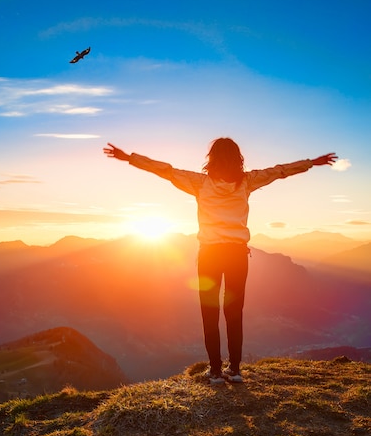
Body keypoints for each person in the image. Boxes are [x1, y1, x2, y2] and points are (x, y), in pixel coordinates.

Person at [103, 139, 338, 386]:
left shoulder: (199, 183)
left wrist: (129, 157)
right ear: (238, 158)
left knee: (209, 313)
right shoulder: (247, 182)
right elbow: (280, 171)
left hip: (210, 255)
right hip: (237, 255)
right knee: (234, 312)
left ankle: (215, 372)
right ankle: (235, 370)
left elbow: (165, 170)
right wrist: (312, 162)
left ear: (211, 158)